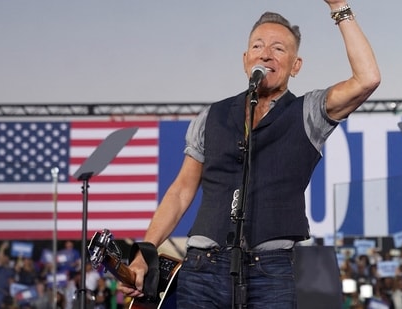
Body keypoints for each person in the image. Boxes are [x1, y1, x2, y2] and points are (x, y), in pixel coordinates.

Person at [120, 0, 380, 307]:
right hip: (201, 270)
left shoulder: (307, 112)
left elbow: (367, 79)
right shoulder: (211, 116)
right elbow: (180, 191)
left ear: (296, 66)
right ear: (246, 59)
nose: (266, 53)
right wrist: (146, 250)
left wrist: (339, 7)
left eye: (279, 49)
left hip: (271, 273)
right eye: (257, 46)